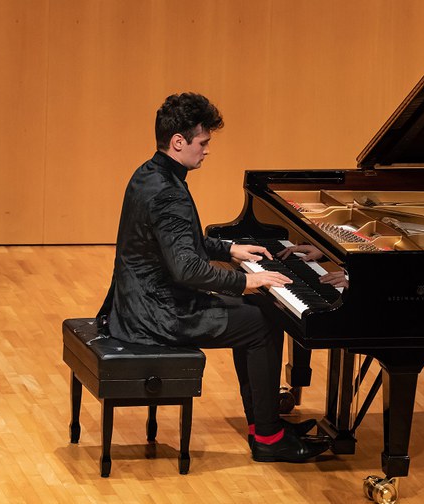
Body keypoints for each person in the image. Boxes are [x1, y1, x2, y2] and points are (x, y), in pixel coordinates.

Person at [97, 92, 329, 463]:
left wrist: (229, 250)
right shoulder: (168, 192)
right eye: (202, 142)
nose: (207, 150)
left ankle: (264, 424)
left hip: (137, 303)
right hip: (157, 315)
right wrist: (247, 282)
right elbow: (186, 269)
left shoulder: (149, 174)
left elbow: (177, 242)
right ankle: (268, 437)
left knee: (259, 312)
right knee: (261, 322)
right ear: (178, 141)